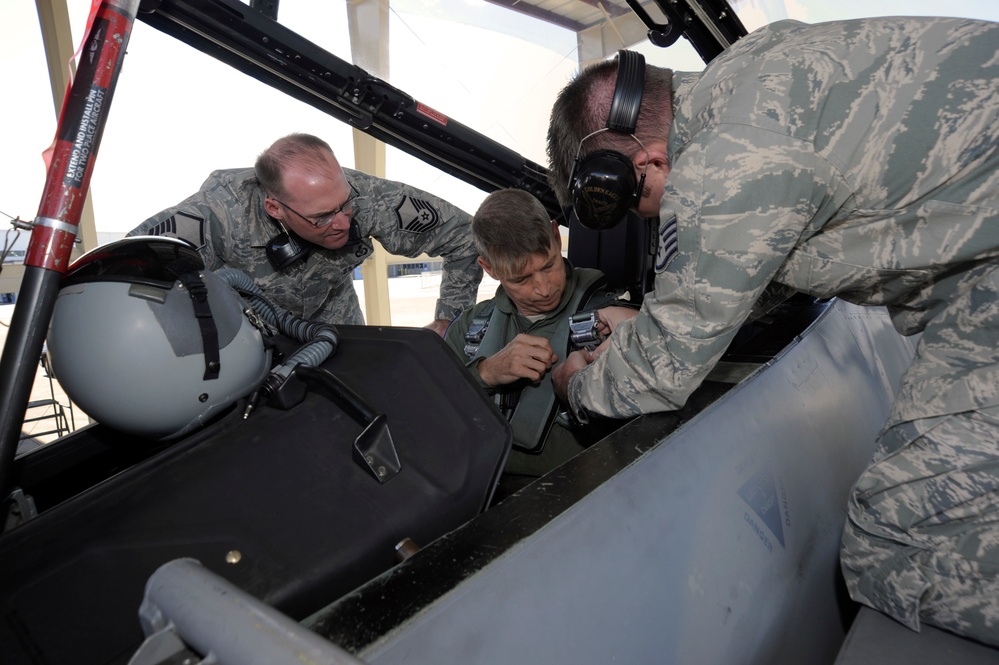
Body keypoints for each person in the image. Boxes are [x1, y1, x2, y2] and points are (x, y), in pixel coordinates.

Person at [546, 18, 999, 645]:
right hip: (978, 274)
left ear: (643, 165)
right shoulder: (753, 67)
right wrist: (649, 323)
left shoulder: (723, 162)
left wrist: (575, 385)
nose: (651, 218)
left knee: (895, 548)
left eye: (639, 204)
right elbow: (766, 263)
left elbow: (657, 375)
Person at [128, 133, 481, 333]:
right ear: (275, 209)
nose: (342, 222)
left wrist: (449, 320)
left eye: (344, 205)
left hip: (338, 328)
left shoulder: (367, 197)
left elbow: (467, 236)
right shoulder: (221, 214)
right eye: (322, 217)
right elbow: (123, 268)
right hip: (249, 337)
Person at [444, 189, 636, 490]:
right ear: (490, 269)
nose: (544, 288)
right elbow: (431, 415)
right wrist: (485, 373)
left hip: (584, 495)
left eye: (548, 265)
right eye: (521, 279)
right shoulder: (470, 329)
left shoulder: (610, 318)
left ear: (556, 237)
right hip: (484, 493)